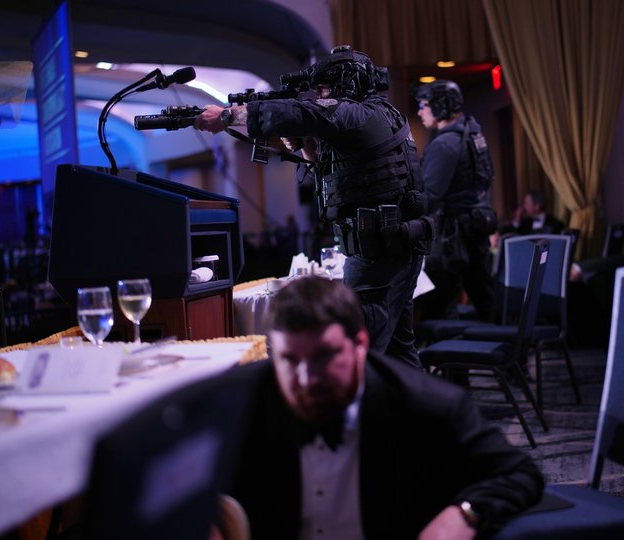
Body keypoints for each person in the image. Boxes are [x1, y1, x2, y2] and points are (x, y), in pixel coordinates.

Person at [230, 276, 544, 539]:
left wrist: (465, 514)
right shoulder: (239, 406)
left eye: (324, 356)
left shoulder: (428, 406)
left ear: (361, 345)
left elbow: (520, 472)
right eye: (290, 359)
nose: (306, 378)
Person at [194, 45, 431, 369]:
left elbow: (304, 112)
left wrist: (228, 115)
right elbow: (333, 174)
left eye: (325, 89)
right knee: (399, 352)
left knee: (357, 359)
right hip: (392, 248)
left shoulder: (360, 114)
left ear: (348, 83)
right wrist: (304, 145)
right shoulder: (380, 116)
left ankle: (361, 418)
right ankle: (418, 415)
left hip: (379, 255)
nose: (322, 96)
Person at [415, 79, 497, 320]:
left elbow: (429, 196)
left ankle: (445, 355)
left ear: (440, 105)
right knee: (484, 295)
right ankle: (510, 352)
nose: (420, 111)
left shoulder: (445, 144)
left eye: (424, 104)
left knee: (438, 306)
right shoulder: (473, 132)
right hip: (475, 225)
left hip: (453, 237)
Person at [500, 190, 565, 236]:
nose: (524, 206)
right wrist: (517, 219)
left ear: (537, 206)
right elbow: (506, 235)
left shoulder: (556, 224)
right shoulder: (525, 224)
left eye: (526, 203)